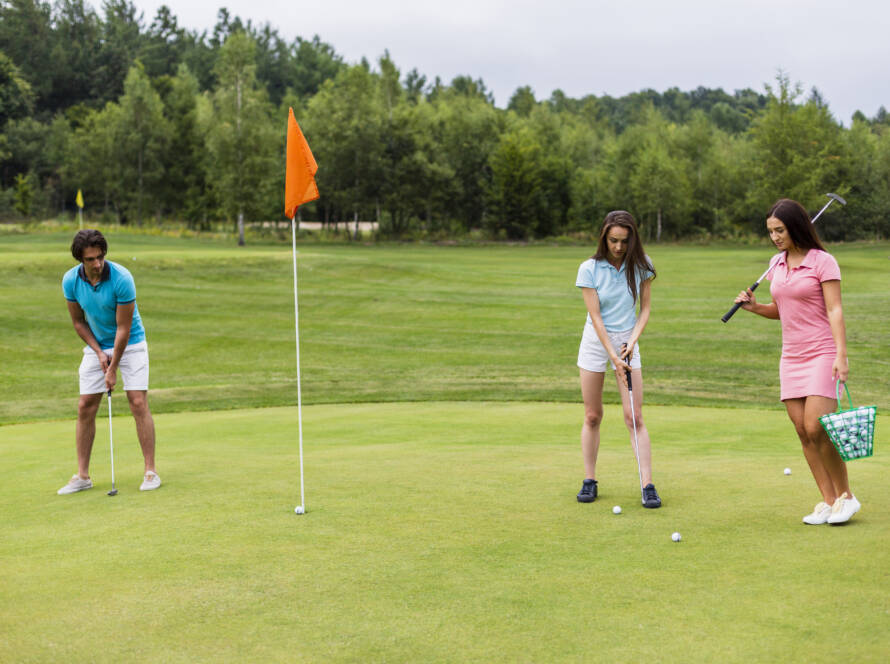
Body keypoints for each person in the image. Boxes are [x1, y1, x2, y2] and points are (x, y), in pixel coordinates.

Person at [735, 198, 857, 524]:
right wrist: (755, 307)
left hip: (822, 352)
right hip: (791, 356)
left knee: (817, 427)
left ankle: (847, 497)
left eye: (780, 230)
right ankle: (829, 501)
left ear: (796, 226)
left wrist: (842, 356)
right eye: (771, 232)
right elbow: (785, 310)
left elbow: (834, 310)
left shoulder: (823, 262)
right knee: (803, 432)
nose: (775, 237)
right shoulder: (776, 264)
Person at [57, 229, 160, 494]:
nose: (97, 263)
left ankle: (150, 471)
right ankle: (82, 476)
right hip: (97, 345)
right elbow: (78, 322)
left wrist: (112, 367)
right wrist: (99, 353)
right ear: (80, 259)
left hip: (131, 343)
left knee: (137, 400)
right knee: (85, 405)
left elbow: (124, 329)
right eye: (90, 259)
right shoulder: (70, 281)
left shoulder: (122, 278)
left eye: (100, 257)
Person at [575, 211, 660, 508]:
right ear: (604, 238)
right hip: (596, 343)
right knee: (592, 414)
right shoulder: (589, 268)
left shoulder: (642, 266)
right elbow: (595, 317)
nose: (619, 247)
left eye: (625, 241)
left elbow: (645, 310)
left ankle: (647, 484)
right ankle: (589, 479)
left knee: (634, 416)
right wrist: (612, 355)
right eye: (613, 240)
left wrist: (631, 343)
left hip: (627, 340)